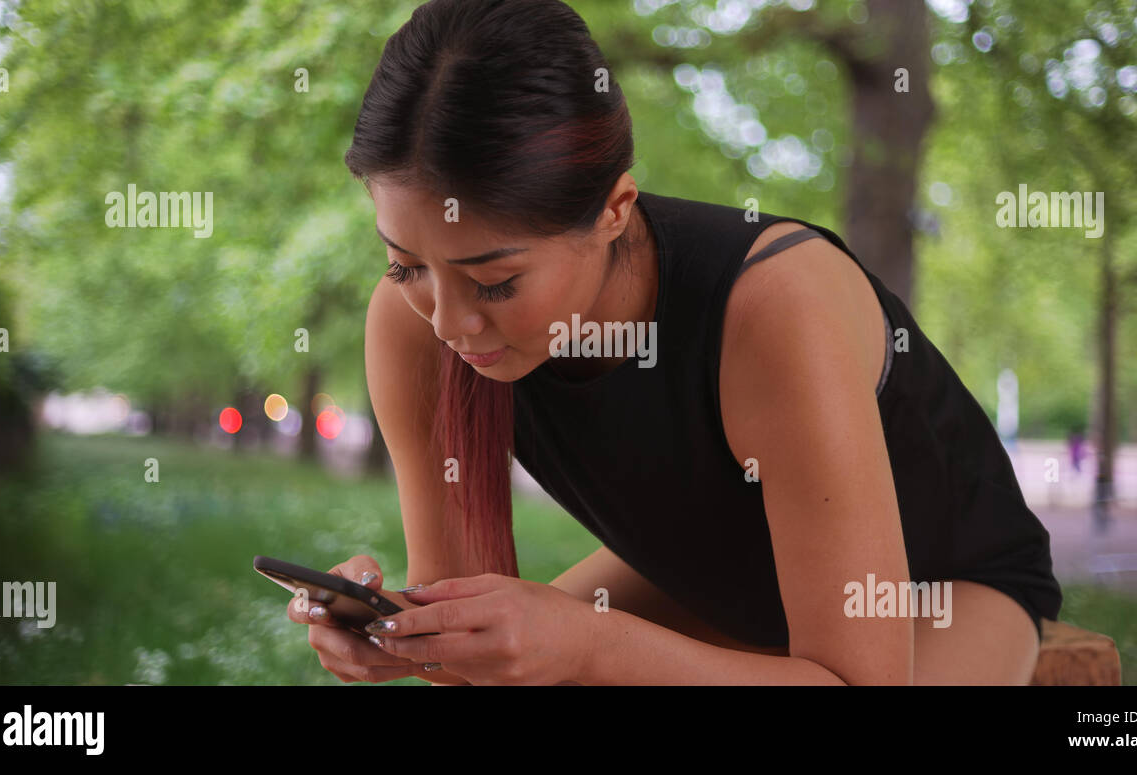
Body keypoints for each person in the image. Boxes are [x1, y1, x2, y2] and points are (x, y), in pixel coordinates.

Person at [286, 0, 1061, 685]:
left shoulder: (775, 306)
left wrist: (591, 646)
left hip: (940, 584)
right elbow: (465, 666)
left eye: (494, 283)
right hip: (709, 565)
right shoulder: (408, 322)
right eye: (405, 264)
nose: (448, 323)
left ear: (614, 208)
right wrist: (402, 632)